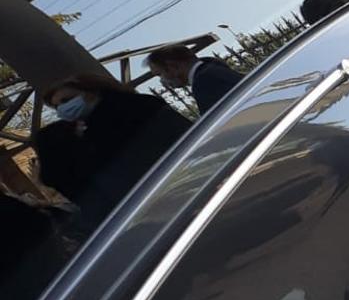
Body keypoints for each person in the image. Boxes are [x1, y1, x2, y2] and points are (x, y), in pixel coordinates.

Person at [41, 75, 191, 218]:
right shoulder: (139, 103)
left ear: (92, 91)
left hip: (168, 195)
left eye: (66, 100)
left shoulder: (100, 130)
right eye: (57, 106)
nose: (62, 109)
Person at [146, 45, 243, 114]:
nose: (162, 81)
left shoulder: (204, 83)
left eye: (160, 74)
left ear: (172, 66)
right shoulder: (211, 70)